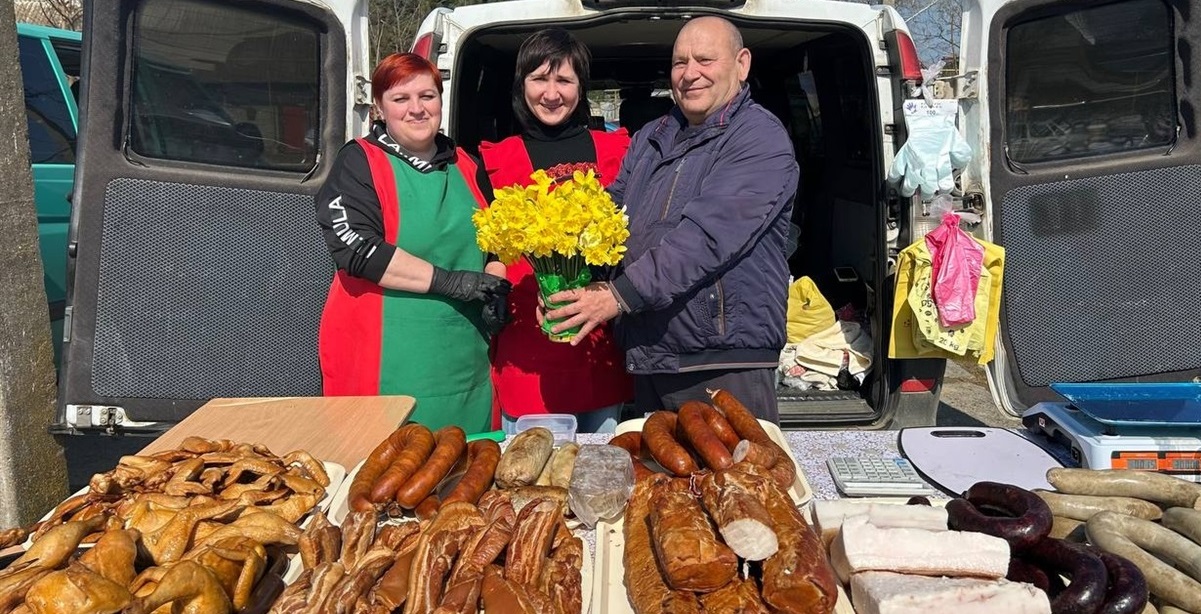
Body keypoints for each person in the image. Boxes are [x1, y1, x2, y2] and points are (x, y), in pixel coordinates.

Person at [543, 16, 799, 423]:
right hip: (652, 351)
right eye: (680, 62)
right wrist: (566, 279)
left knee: (734, 466)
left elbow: (704, 240)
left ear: (742, 64)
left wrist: (616, 297)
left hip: (721, 360)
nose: (690, 73)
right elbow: (608, 217)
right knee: (660, 466)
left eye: (705, 60)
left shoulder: (759, 138)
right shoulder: (650, 137)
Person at [315, 53, 511, 434]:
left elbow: (496, 244)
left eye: (427, 96)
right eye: (400, 99)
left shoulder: (467, 164)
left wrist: (496, 287)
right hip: (382, 362)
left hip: (463, 362)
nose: (417, 109)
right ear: (379, 107)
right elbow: (358, 250)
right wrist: (452, 282)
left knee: (469, 460)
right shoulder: (359, 162)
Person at [479, 28, 633, 435]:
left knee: (600, 466)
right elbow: (494, 251)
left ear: (581, 88)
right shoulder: (496, 159)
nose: (551, 93)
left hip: (599, 346)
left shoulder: (617, 152)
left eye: (564, 80)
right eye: (539, 79)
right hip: (529, 352)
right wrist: (493, 290)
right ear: (522, 85)